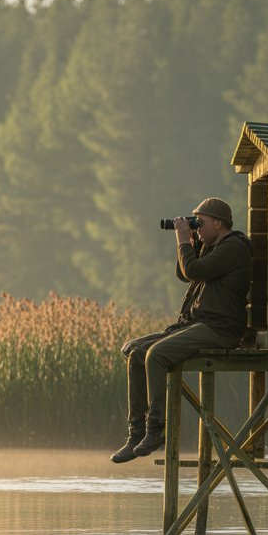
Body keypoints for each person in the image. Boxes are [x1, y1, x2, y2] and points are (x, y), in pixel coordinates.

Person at [111, 197, 253, 464]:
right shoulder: (215, 246)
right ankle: (136, 434)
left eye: (200, 223)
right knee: (135, 352)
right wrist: (194, 243)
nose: (196, 228)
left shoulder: (234, 246)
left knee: (156, 355)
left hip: (219, 329)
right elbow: (184, 273)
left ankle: (156, 431)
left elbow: (192, 271)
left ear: (217, 223)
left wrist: (183, 240)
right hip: (199, 324)